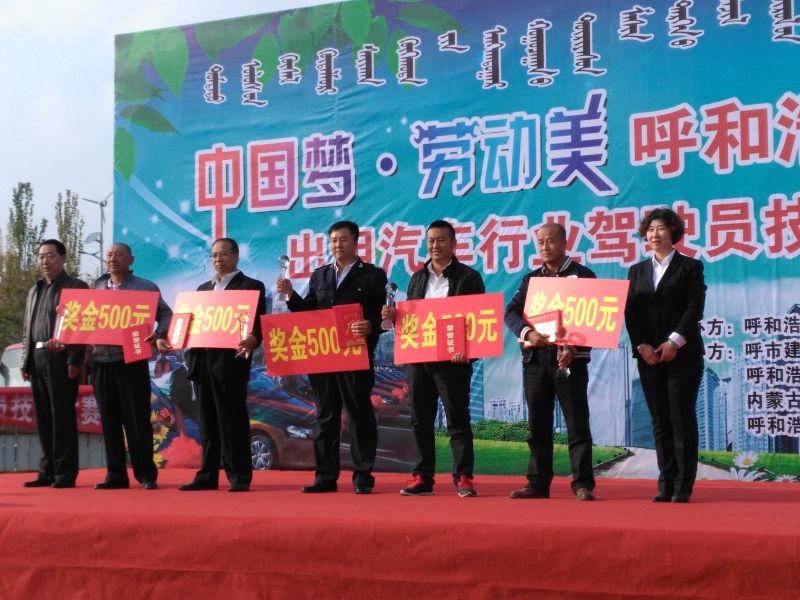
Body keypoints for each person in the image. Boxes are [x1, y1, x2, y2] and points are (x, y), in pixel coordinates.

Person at [277, 220, 387, 494]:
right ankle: (325, 477)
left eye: (343, 239)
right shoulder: (321, 275)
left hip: (355, 356)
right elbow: (308, 312)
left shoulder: (372, 275)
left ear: (356, 242)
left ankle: (363, 477)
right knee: (325, 417)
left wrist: (371, 325)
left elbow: (384, 316)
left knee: (359, 415)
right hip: (324, 357)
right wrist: (290, 294)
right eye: (334, 240)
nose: (338, 245)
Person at [381, 220, 484, 497]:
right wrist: (394, 317)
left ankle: (464, 477)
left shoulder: (468, 277)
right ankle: (422, 477)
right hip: (420, 360)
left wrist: (469, 352)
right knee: (420, 420)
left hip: (453, 361)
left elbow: (477, 318)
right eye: (430, 241)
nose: (435, 245)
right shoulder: (417, 278)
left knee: (457, 420)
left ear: (453, 244)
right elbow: (412, 319)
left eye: (441, 240)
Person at [504, 223, 597, 501]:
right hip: (536, 359)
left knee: (577, 423)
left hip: (571, 359)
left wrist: (574, 347)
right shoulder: (531, 280)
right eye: (541, 242)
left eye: (551, 241)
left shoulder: (583, 276)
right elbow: (511, 313)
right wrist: (527, 333)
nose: (545, 247)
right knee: (538, 424)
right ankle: (537, 482)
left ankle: (583, 484)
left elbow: (594, 318)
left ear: (565, 242)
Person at [625, 208, 706, 503]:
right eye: (650, 229)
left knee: (681, 418)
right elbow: (630, 312)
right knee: (659, 420)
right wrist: (641, 345)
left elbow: (694, 309)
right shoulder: (636, 271)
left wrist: (674, 341)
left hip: (683, 355)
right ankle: (665, 482)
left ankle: (683, 485)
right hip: (648, 356)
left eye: (660, 228)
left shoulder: (690, 267)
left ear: (673, 233)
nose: (654, 234)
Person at [180, 238, 266, 492]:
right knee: (207, 421)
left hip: (230, 364)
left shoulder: (250, 286)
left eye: (224, 254)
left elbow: (259, 325)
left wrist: (253, 339)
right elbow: (190, 324)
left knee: (232, 420)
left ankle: (239, 476)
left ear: (236, 256)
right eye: (214, 255)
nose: (218, 259)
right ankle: (207, 475)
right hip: (203, 363)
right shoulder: (203, 290)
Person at [91, 243, 172, 490]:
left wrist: (159, 333)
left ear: (131, 259)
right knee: (109, 421)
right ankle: (115, 474)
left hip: (131, 361)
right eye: (109, 254)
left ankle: (145, 474)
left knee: (137, 420)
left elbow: (166, 314)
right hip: (101, 361)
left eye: (119, 254)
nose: (113, 258)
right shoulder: (97, 288)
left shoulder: (145, 288)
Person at [21, 239, 89, 488]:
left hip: (61, 358)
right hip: (37, 358)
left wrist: (74, 358)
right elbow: (27, 328)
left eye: (50, 256)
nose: (45, 261)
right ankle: (46, 471)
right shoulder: (35, 289)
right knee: (43, 418)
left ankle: (64, 473)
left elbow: (82, 326)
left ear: (63, 258)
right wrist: (26, 360)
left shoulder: (76, 287)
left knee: (62, 416)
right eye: (41, 256)